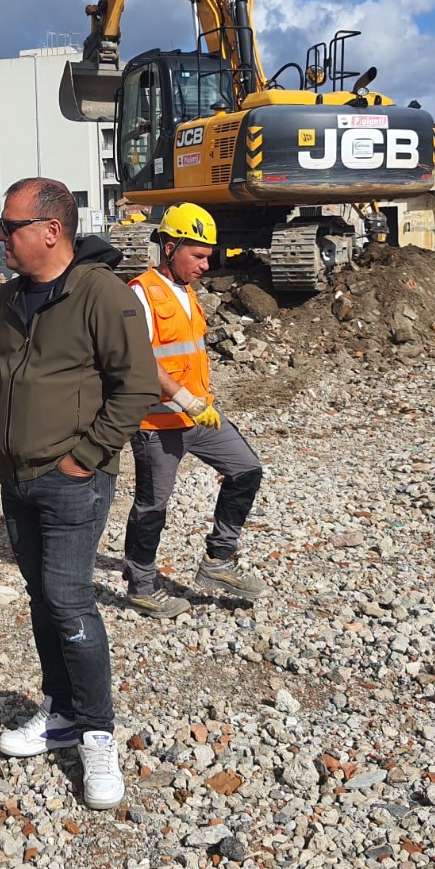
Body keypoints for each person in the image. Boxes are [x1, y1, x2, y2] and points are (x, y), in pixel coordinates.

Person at [0, 177, 157, 811]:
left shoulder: (101, 293)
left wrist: (87, 455)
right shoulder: (7, 297)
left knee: (70, 599)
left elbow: (137, 385)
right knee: (41, 596)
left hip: (72, 478)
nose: (1, 237)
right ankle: (58, 712)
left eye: (11, 227)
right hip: (16, 477)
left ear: (51, 231)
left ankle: (97, 733)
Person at [121, 204, 266, 618]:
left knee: (246, 470)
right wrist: (185, 400)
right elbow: (138, 359)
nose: (206, 265)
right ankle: (141, 587)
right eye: (198, 256)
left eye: (208, 256)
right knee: (152, 507)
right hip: (157, 423)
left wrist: (198, 402)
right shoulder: (141, 293)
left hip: (199, 417)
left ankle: (218, 560)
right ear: (170, 248)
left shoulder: (187, 292)